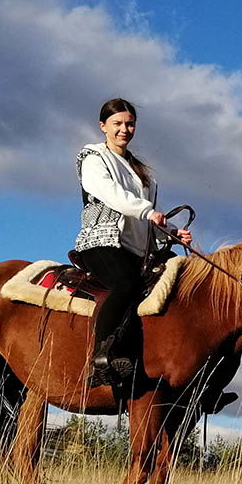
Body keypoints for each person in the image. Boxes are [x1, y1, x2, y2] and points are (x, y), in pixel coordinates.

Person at [73, 98, 191, 385]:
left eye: (129, 124)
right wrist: (147, 211)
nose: (124, 129)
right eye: (117, 123)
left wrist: (172, 232)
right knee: (126, 285)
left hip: (140, 250)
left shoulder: (142, 173)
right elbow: (110, 193)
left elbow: (151, 216)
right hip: (102, 242)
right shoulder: (93, 158)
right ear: (103, 126)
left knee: (183, 281)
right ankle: (101, 360)